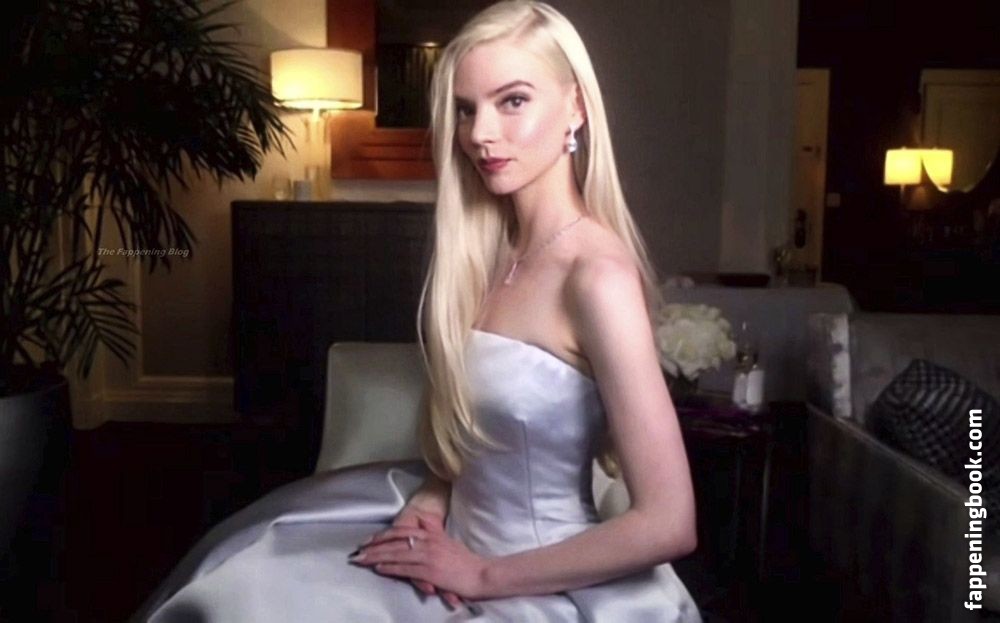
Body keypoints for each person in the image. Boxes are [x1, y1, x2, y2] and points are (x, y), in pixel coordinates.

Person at [133, 1, 702, 621]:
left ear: (576, 107)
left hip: (534, 585)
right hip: (451, 539)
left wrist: (482, 575)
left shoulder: (597, 277)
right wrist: (433, 498)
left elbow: (670, 522)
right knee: (242, 573)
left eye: (513, 101)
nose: (480, 133)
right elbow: (485, 444)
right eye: (467, 109)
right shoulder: (489, 252)